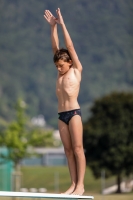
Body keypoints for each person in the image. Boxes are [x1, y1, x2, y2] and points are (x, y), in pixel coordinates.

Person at [44, 8, 86, 195]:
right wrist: (52, 27)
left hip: (74, 113)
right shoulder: (60, 72)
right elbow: (56, 48)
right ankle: (72, 184)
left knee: (77, 149)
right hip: (62, 115)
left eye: (61, 65)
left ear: (69, 62)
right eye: (56, 66)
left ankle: (81, 185)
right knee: (68, 151)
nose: (59, 68)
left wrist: (62, 25)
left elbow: (70, 47)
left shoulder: (76, 70)